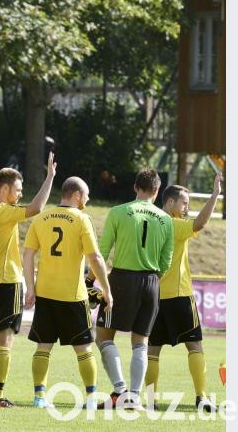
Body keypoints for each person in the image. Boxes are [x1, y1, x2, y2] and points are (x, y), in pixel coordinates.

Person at [0, 152, 55, 408]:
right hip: (7, 282)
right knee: (5, 340)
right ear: (4, 189)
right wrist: (50, 177)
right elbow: (36, 209)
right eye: (18, 189)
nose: (20, 194)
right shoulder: (3, 212)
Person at [22, 177, 113, 410]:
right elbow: (95, 257)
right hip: (73, 295)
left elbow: (28, 254)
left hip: (46, 293)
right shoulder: (82, 219)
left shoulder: (41, 218)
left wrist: (30, 288)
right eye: (87, 194)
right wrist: (107, 290)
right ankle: (92, 397)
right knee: (83, 349)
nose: (89, 199)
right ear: (77, 195)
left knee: (43, 346)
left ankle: (39, 397)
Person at [94, 168, 174, 410]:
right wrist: (153, 277)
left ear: (135, 187)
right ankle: (134, 398)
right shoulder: (166, 219)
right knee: (141, 342)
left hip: (121, 280)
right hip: (151, 282)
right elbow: (166, 261)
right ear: (157, 191)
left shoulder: (118, 212)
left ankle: (120, 391)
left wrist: (91, 281)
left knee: (103, 335)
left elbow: (102, 252)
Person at [145, 173, 222, 412]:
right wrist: (215, 195)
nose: (187, 207)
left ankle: (150, 399)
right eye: (184, 202)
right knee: (195, 346)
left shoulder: (148, 222)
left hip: (154, 295)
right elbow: (200, 224)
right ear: (169, 202)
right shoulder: (173, 223)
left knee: (152, 350)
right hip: (179, 295)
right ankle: (201, 398)